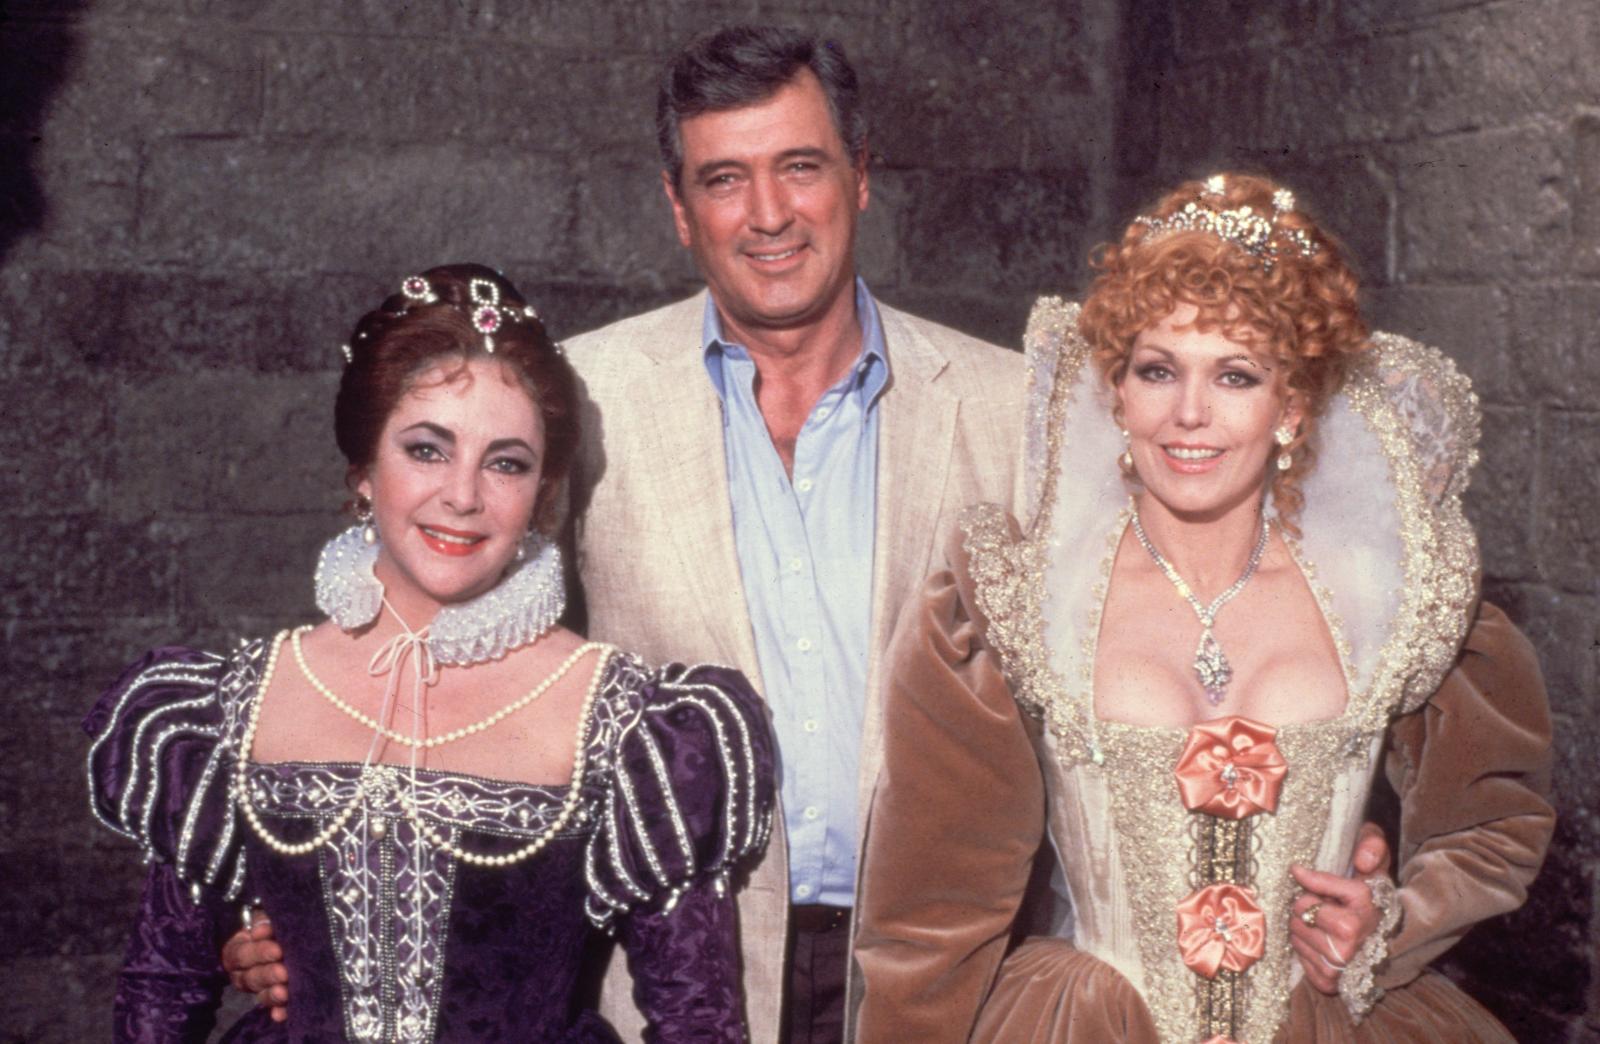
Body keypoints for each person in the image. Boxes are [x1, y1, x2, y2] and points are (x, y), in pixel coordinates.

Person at [219, 31, 1394, 1044]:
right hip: (671, 977)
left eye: (799, 167)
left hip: (951, 982)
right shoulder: (576, 400)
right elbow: (433, 639)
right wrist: (288, 890)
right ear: (678, 206)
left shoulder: (1018, 412)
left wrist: (1346, 826)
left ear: (860, 177)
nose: (769, 214)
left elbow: (1200, 606)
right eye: (724, 179)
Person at [853, 174, 1555, 1042]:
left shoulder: (1387, 596)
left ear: (1291, 406)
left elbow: (1493, 820)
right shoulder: (1021, 600)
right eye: (1158, 370)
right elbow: (931, 914)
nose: (1189, 414)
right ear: (1118, 392)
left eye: (1235, 375)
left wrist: (1395, 921)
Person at [85, 264, 774, 1042]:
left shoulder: (621, 719)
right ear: (364, 471)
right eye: (426, 449)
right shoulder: (237, 703)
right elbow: (161, 994)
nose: (464, 496)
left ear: (542, 492)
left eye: (506, 462)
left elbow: (697, 1024)